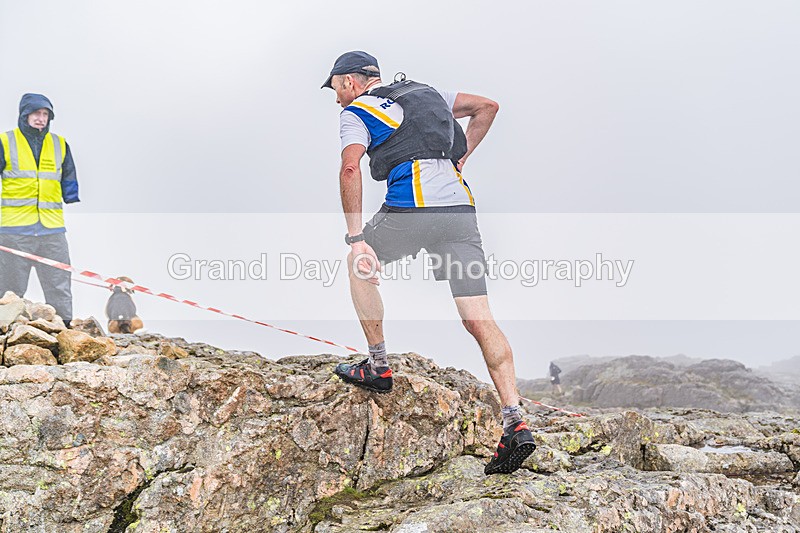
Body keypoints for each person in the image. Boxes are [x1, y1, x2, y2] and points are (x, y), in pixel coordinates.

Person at [322, 51, 535, 475]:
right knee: (479, 318)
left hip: (412, 209)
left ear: (348, 82)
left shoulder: (357, 111)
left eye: (334, 89)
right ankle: (515, 420)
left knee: (356, 264)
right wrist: (462, 157)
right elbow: (488, 107)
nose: (335, 100)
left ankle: (378, 366)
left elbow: (350, 169)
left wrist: (358, 238)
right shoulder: (428, 93)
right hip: (460, 211)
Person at [0, 94, 79, 325]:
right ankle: (6, 332)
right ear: (24, 115)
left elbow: (69, 175)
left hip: (51, 229)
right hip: (14, 229)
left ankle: (64, 330)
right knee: (9, 289)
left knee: (59, 284)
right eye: (36, 113)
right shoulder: (5, 142)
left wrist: (71, 195)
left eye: (45, 114)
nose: (41, 118)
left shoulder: (60, 144)